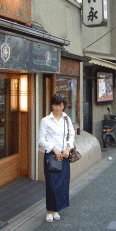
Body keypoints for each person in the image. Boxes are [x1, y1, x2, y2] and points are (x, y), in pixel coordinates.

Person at [38, 93, 75, 223]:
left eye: (60, 105)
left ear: (63, 106)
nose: (58, 108)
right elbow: (41, 140)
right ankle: (49, 210)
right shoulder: (45, 120)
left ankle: (56, 209)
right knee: (52, 184)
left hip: (64, 156)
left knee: (62, 184)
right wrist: (54, 149)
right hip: (52, 156)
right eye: (55, 105)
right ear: (51, 105)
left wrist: (67, 149)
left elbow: (72, 135)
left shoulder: (67, 119)